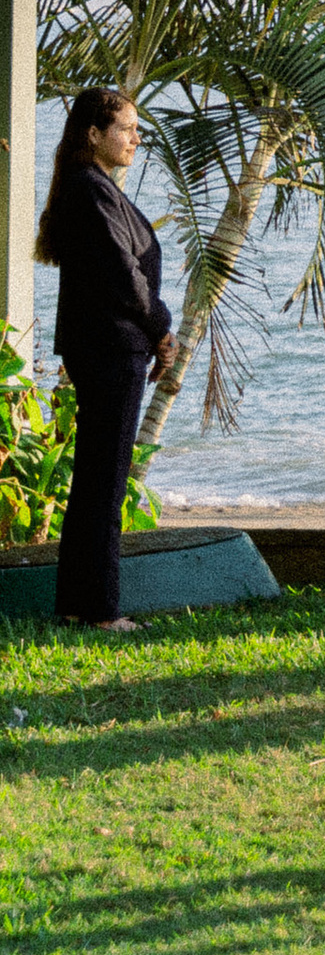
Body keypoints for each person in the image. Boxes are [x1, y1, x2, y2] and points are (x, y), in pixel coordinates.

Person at [35, 87, 177, 631]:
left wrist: (156, 333)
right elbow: (125, 274)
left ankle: (77, 602)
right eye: (126, 128)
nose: (136, 138)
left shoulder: (89, 186)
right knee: (105, 480)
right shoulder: (90, 190)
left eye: (137, 129)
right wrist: (163, 329)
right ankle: (100, 611)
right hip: (111, 347)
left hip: (105, 345)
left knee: (97, 477)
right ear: (93, 134)